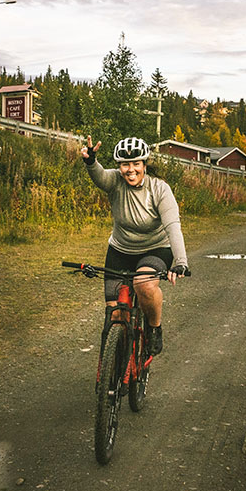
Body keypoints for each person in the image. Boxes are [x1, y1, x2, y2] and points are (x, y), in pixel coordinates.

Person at [81, 135, 188, 355]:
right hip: (120, 250)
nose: (130, 169)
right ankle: (116, 366)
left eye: (136, 163)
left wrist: (181, 262)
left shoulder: (159, 189)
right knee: (115, 313)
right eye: (124, 164)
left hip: (156, 249)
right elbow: (100, 176)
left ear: (144, 164)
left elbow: (172, 227)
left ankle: (154, 328)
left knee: (144, 285)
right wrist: (91, 161)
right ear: (119, 166)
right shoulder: (115, 182)